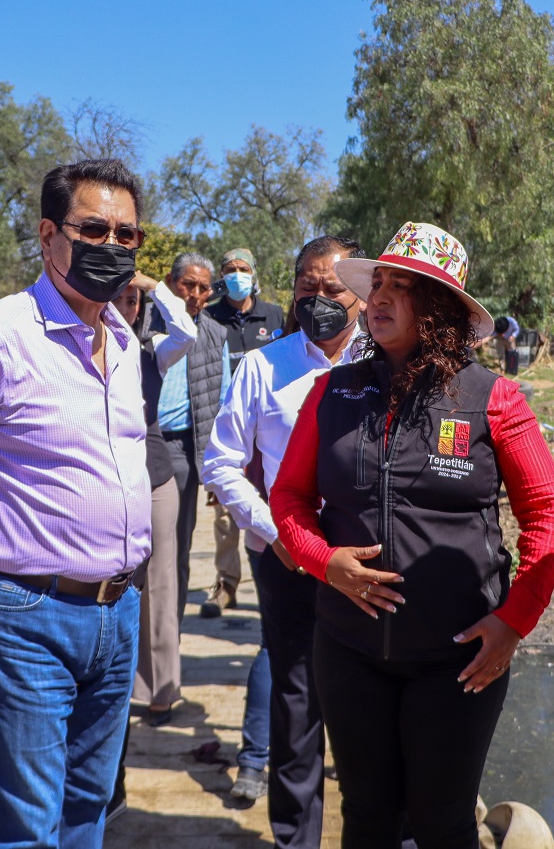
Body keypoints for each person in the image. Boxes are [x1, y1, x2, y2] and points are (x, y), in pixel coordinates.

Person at [271, 222, 554, 848]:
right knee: (367, 815)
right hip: (349, 650)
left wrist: (514, 621)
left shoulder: (494, 398)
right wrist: (325, 561)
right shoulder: (332, 392)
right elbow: (290, 499)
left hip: (459, 659)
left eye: (400, 286)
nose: (378, 296)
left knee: (442, 822)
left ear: (438, 306)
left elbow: (547, 513)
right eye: (377, 282)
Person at [0, 158, 152, 847]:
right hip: (23, 613)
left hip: (118, 609)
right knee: (27, 824)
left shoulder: (124, 340)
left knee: (89, 806)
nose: (112, 247)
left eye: (127, 235)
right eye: (93, 230)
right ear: (48, 236)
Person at [200, 235, 366, 823]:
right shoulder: (262, 367)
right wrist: (279, 534)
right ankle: (294, 831)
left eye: (333, 289)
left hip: (367, 565)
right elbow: (221, 462)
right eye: (307, 288)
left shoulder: (386, 363)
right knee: (295, 699)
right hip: (286, 558)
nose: (319, 300)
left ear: (362, 293)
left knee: (367, 703)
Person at [109, 272, 193, 815]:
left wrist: (150, 282)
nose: (126, 305)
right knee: (116, 586)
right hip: (102, 485)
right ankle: (118, 686)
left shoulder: (153, 351)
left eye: (132, 298)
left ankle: (160, 691)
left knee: (159, 587)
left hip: (155, 476)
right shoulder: (79, 345)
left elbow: (186, 329)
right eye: (118, 295)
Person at [203, 247, 285, 617]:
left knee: (268, 504)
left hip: (268, 430)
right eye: (230, 269)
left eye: (243, 269)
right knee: (225, 512)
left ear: (254, 273)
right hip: (229, 428)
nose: (237, 275)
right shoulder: (210, 317)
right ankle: (226, 583)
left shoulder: (274, 315)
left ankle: (275, 577)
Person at [152, 251, 231, 624]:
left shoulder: (215, 335)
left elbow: (222, 403)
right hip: (141, 442)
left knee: (177, 549)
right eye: (188, 285)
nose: (196, 294)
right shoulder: (143, 320)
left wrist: (215, 468)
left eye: (203, 288)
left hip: (183, 451)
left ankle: (171, 632)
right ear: (171, 283)